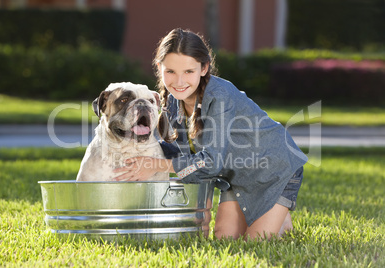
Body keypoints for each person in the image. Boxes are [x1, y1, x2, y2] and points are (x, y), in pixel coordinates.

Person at [113, 28, 308, 240]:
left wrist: (155, 165)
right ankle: (274, 216)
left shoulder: (219, 96)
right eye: (171, 71)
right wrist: (200, 217)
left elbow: (211, 162)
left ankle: (279, 211)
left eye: (188, 71)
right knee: (225, 238)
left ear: (204, 68)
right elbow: (190, 163)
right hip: (237, 176)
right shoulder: (172, 100)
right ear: (159, 68)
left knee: (254, 244)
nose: (179, 82)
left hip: (274, 168)